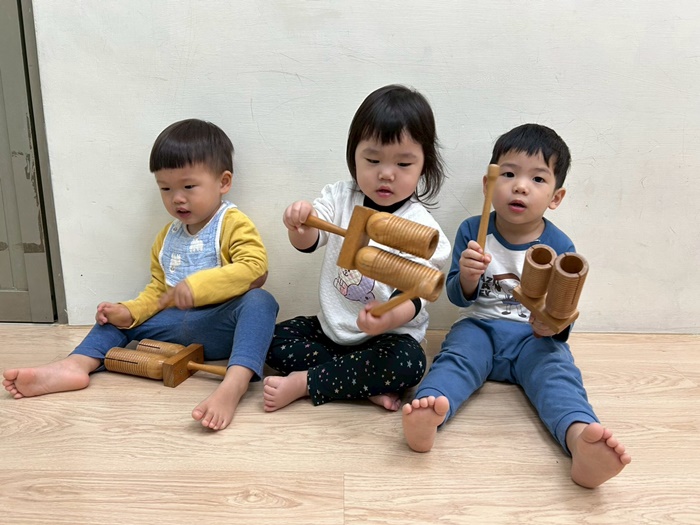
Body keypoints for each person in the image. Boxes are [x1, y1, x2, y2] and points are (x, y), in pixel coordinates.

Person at [3, 118, 279, 431]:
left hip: (220, 325)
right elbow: (157, 292)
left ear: (223, 182)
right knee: (114, 319)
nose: (177, 198)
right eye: (166, 188)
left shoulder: (232, 223)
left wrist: (197, 286)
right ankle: (75, 365)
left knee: (261, 301)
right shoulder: (166, 238)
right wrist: (129, 311)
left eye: (189, 187)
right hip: (174, 324)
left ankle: (234, 383)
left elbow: (255, 267)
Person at [402, 123, 631, 488]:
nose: (521, 186)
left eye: (538, 179)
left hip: (531, 338)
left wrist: (551, 327)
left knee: (557, 375)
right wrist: (467, 276)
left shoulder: (561, 246)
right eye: (508, 174)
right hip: (480, 328)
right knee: (457, 358)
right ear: (488, 184)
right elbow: (456, 296)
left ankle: (579, 440)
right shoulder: (473, 231)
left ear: (556, 197)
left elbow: (562, 312)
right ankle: (430, 411)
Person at [264, 84, 451, 413]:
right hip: (333, 330)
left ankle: (308, 382)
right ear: (354, 155)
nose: (386, 173)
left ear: (424, 165)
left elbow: (415, 296)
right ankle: (358, 384)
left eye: (403, 164)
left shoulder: (424, 231)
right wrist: (299, 224)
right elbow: (308, 241)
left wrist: (385, 317)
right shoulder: (340, 198)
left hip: (387, 337)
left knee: (409, 364)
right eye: (373, 159)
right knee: (271, 340)